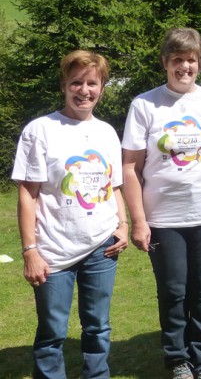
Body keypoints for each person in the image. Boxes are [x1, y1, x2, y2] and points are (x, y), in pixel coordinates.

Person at [122, 28, 201, 379]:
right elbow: (129, 167)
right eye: (177, 59)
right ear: (165, 62)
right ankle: (177, 359)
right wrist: (138, 220)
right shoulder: (144, 104)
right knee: (172, 292)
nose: (185, 66)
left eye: (191, 60)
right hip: (164, 218)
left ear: (200, 62)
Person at [12, 49, 128, 378]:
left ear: (102, 88)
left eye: (92, 83)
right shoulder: (40, 130)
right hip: (52, 250)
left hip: (101, 247)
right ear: (64, 85)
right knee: (52, 333)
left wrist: (122, 224)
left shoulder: (107, 132)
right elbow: (27, 193)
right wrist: (30, 251)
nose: (84, 90)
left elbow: (114, 186)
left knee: (98, 327)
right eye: (76, 82)